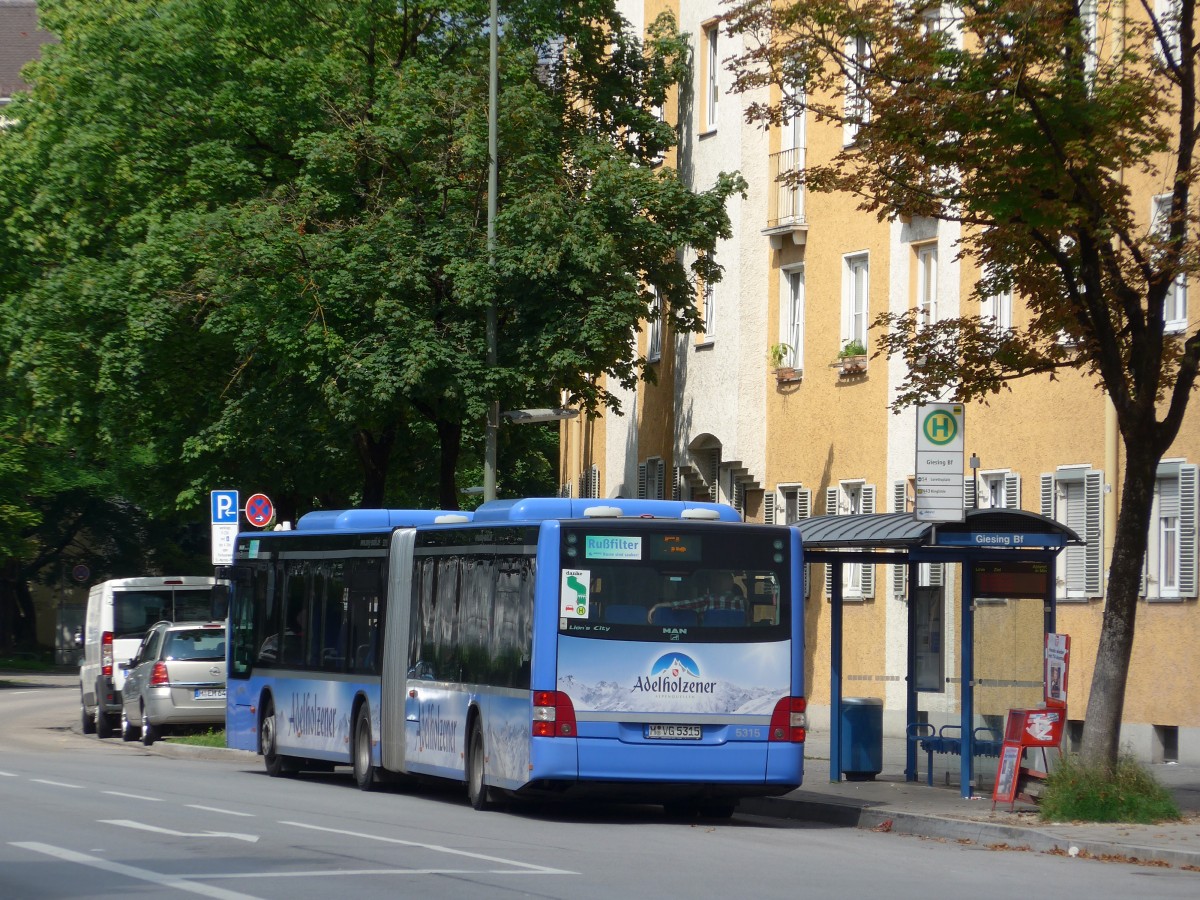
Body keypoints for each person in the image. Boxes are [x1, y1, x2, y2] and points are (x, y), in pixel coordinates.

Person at [648, 571, 746, 622]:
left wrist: (659, 606)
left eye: (716, 582)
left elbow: (685, 604)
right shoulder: (744, 603)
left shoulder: (709, 600)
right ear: (732, 584)